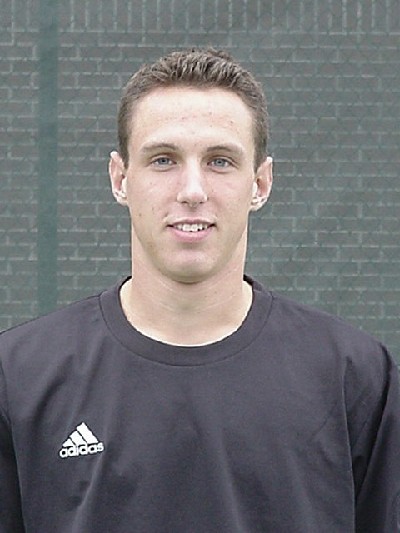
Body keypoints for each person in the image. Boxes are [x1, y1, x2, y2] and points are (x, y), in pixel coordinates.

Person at [0, 48, 399, 533]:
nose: (192, 190)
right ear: (120, 179)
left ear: (261, 183)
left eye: (220, 161)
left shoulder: (354, 377)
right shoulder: (19, 375)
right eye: (163, 160)